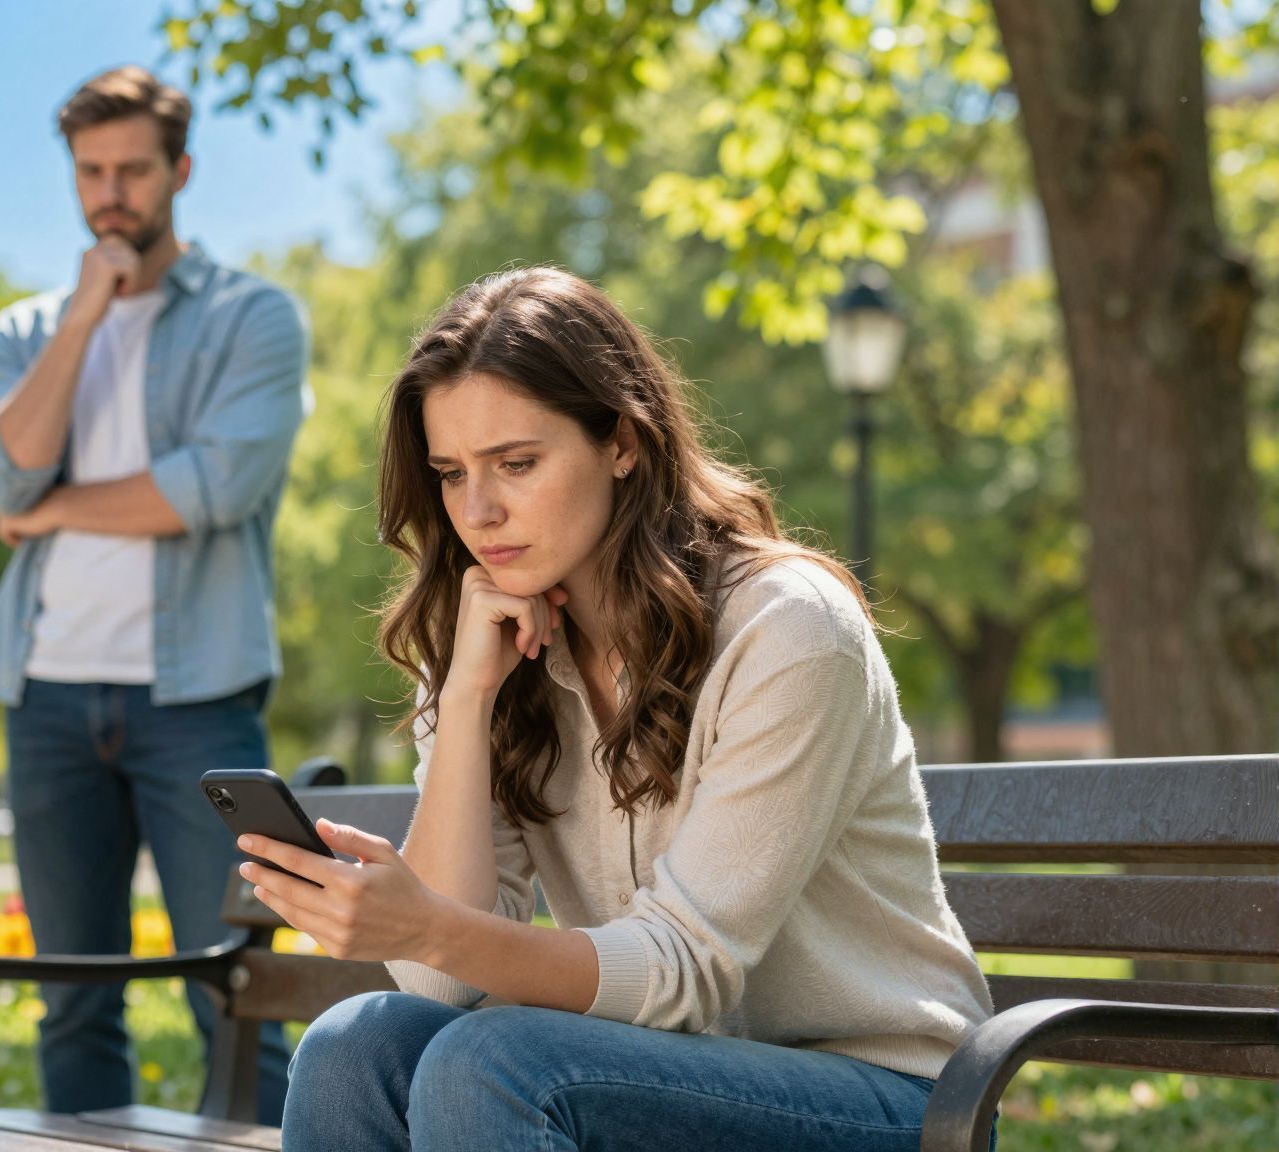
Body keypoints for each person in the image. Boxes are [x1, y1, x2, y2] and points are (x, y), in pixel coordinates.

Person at [241, 268, 997, 1151]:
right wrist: (467, 697)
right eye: (450, 473)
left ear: (623, 443)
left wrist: (427, 926)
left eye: (516, 464)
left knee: (491, 1061)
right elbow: (439, 983)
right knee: (354, 1047)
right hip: (650, 1070)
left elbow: (684, 969)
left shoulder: (788, 628)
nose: (478, 512)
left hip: (892, 1103)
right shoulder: (485, 636)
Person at [0, 66, 307, 1122]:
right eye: (90, 173)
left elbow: (214, 487)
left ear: (179, 171)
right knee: (71, 1001)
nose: (110, 194)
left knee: (236, 996)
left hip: (197, 698)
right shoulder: (27, 331)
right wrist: (80, 320)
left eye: (132, 171)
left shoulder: (252, 317)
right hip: (46, 696)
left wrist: (51, 509)